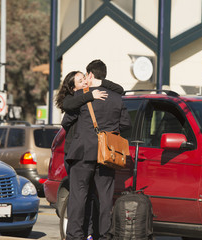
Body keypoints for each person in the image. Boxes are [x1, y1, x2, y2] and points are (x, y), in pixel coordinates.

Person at [65, 60, 131, 240]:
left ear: (91, 75)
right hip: (107, 154)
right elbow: (126, 124)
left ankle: (75, 236)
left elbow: (66, 121)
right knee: (105, 198)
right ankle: (104, 235)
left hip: (82, 152)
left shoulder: (82, 96)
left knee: (78, 197)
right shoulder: (117, 98)